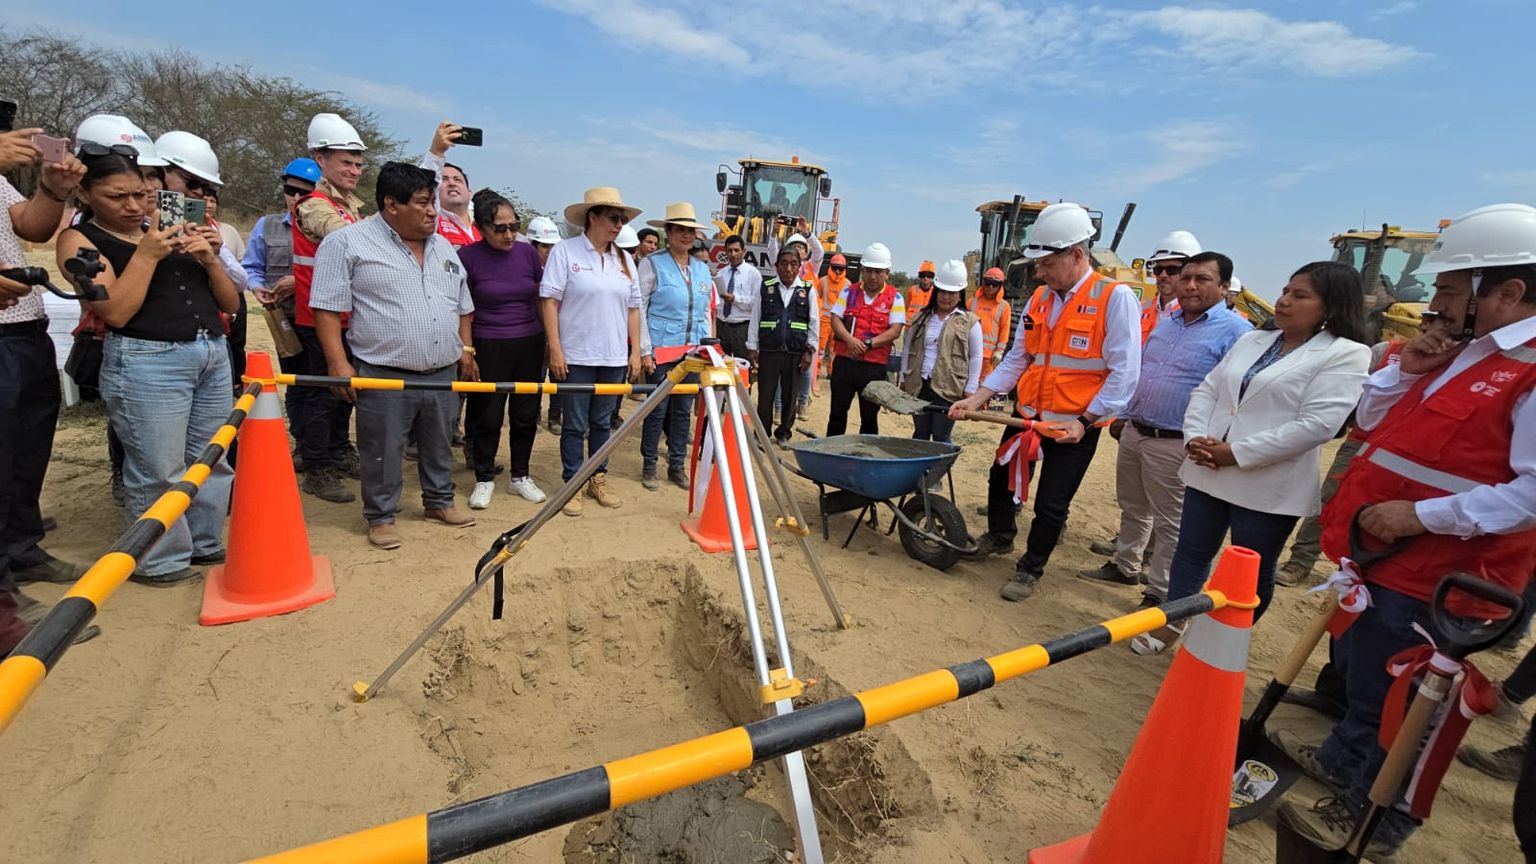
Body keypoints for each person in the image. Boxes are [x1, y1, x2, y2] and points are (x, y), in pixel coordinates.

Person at [1274, 204, 1536, 857]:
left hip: (1445, 575)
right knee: (1365, 680)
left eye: (1449, 289)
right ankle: (1343, 761)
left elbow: (1531, 495)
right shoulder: (1460, 353)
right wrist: (1405, 371)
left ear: (1507, 293)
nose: (1434, 303)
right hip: (1384, 559)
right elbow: (1367, 421)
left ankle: (1379, 816)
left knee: (1410, 703)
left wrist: (1418, 516)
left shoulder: (1531, 371)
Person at [1161, 261, 1370, 637]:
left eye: (1300, 295)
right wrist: (1195, 437)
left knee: (1251, 569)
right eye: (1286, 291)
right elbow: (1208, 390)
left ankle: (1222, 642)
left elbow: (1317, 425)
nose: (1284, 300)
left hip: (1266, 482)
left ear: (1331, 306)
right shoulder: (1253, 340)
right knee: (1191, 553)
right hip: (1208, 465)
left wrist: (1236, 453)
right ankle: (1171, 625)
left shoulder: (1346, 353)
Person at [61, 149, 240, 585]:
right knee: (158, 468)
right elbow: (116, 312)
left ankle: (203, 541)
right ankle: (159, 559)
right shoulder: (80, 240)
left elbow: (231, 304)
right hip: (147, 359)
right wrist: (146, 255)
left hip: (209, 351)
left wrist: (210, 259)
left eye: (141, 195)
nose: (133, 206)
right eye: (116, 196)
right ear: (84, 193)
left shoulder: (164, 230)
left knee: (212, 459)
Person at [948, 203, 1142, 602]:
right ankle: (1000, 536)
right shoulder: (1040, 297)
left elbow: (1125, 373)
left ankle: (1030, 568)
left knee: (1052, 503)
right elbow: (1019, 358)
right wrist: (978, 397)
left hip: (1073, 426)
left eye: (1047, 263)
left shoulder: (1114, 298)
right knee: (1001, 480)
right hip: (1028, 416)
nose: (1039, 272)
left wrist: (1085, 422)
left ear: (1076, 255)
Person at [309, 162, 476, 550]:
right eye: (422, 203)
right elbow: (327, 309)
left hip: (442, 371)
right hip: (383, 371)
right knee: (382, 448)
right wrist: (338, 363)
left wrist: (466, 349)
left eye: (432, 203)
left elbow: (462, 305)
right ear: (391, 204)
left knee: (439, 443)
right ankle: (381, 515)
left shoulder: (443, 247)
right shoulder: (347, 243)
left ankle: (439, 502)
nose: (432, 212)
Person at [1076, 252, 1252, 619]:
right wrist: (1124, 415)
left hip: (1177, 441)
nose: (1189, 285)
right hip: (1137, 431)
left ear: (1224, 287)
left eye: (1202, 279)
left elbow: (1234, 396)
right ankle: (1126, 566)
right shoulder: (1166, 322)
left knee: (1171, 522)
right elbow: (1143, 372)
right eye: (1185, 277)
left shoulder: (1237, 333)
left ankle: (1159, 593)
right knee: (1133, 507)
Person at [1, 123, 93, 626]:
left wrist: (53, 191)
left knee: (26, 451)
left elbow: (30, 228)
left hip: (24, 327)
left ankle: (21, 549)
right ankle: (4, 607)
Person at [540, 187, 642, 516]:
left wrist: (635, 352)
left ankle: (597, 477)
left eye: (622, 219)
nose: (619, 225)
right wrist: (555, 348)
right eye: (613, 218)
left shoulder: (624, 260)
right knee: (574, 423)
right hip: (576, 355)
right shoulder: (565, 252)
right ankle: (572, 482)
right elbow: (549, 302)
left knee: (601, 423)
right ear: (592, 217)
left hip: (613, 357)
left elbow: (634, 309)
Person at [1275, 337, 1406, 587]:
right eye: (1429, 321)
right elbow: (1354, 392)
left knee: (1384, 512)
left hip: (1405, 452)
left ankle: (1358, 571)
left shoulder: (1456, 365)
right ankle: (1300, 560)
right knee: (1330, 498)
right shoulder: (1385, 352)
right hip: (1362, 441)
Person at [291, 113, 368, 503]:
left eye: (358, 163)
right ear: (320, 160)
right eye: (346, 162)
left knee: (344, 393)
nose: (354, 170)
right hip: (317, 318)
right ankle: (317, 467)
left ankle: (338, 451)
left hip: (347, 317)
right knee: (322, 395)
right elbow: (351, 241)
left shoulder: (351, 206)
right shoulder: (314, 206)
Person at [457, 190, 547, 510]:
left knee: (525, 414)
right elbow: (462, 309)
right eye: (500, 228)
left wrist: (548, 342)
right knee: (488, 414)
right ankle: (484, 478)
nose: (509, 234)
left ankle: (520, 475)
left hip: (529, 342)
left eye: (514, 226)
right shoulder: (467, 257)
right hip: (488, 343)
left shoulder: (526, 254)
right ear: (482, 228)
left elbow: (539, 298)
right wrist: (467, 351)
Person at [154, 131, 253, 405]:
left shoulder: (205, 229)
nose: (199, 193)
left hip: (209, 345)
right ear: (161, 173)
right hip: (155, 354)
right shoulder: (132, 226)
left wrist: (215, 256)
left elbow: (236, 293)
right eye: (192, 182)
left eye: (205, 187)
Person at [243, 157, 320, 468]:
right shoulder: (267, 226)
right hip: (286, 320)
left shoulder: (331, 227)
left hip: (323, 321)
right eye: (291, 191)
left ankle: (329, 450)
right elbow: (251, 267)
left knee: (327, 387)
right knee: (297, 383)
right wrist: (257, 287)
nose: (296, 198)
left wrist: (300, 284)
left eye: (305, 192)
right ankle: (303, 445)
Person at [638, 203, 717, 490]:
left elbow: (705, 311)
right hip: (661, 350)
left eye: (690, 231)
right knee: (657, 409)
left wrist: (708, 348)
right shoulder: (652, 264)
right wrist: (644, 350)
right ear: (668, 232)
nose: (686, 235)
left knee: (683, 410)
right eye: (680, 230)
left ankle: (676, 465)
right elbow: (639, 307)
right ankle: (649, 464)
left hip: (692, 352)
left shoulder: (701, 269)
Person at [827, 242, 905, 436]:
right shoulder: (848, 292)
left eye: (878, 272)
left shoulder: (895, 298)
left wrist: (868, 344)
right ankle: (832, 450)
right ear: (862, 271)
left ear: (887, 273)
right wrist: (850, 340)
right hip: (845, 363)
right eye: (869, 271)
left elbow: (895, 330)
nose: (872, 276)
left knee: (869, 417)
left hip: (873, 367)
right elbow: (835, 318)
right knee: (837, 413)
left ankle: (865, 452)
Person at [901, 259, 980, 444]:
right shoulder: (920, 318)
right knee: (920, 432)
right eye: (942, 292)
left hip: (948, 388)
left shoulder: (969, 322)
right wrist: (904, 377)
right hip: (920, 384)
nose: (946, 297)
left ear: (960, 295)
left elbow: (976, 356)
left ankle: (940, 462)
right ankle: (918, 463)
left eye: (951, 293)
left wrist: (971, 388)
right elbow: (907, 348)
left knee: (941, 435)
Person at [750, 246, 817, 443]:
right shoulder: (766, 287)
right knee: (765, 395)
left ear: (799, 266)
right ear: (776, 266)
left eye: (793, 264)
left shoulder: (807, 290)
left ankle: (784, 433)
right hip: (769, 350)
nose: (788, 268)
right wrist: (752, 347)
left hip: (796, 351)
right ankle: (762, 433)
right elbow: (755, 317)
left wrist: (810, 350)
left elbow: (813, 322)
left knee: (790, 395)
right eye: (784, 263)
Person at [420, 122, 480, 247]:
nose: (452, 183)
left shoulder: (485, 223)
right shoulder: (432, 220)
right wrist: (436, 151)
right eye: (444, 179)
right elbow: (422, 186)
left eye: (458, 180)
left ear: (470, 193)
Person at [714, 234, 760, 362]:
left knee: (743, 366)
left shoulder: (753, 274)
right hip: (722, 327)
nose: (733, 254)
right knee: (720, 366)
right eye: (729, 251)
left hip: (742, 328)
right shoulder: (721, 273)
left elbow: (756, 303)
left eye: (736, 250)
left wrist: (735, 300)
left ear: (744, 251)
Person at [813, 252, 851, 390]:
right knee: (820, 348)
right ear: (830, 266)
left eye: (840, 268)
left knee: (834, 349)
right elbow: (816, 299)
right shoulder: (822, 281)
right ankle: (816, 373)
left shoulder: (847, 284)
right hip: (824, 320)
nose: (837, 271)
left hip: (838, 322)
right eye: (835, 267)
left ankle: (831, 372)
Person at [973, 266, 1012, 383]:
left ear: (1000, 286)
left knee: (983, 384)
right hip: (970, 351)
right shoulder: (972, 302)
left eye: (994, 284)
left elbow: (1005, 329)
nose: (990, 287)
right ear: (983, 283)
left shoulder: (1004, 307)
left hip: (988, 357)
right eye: (988, 283)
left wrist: (1000, 351)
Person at [204, 188, 245, 259]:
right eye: (204, 200)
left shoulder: (229, 231)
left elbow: (242, 260)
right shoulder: (186, 231)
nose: (209, 205)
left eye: (212, 201)